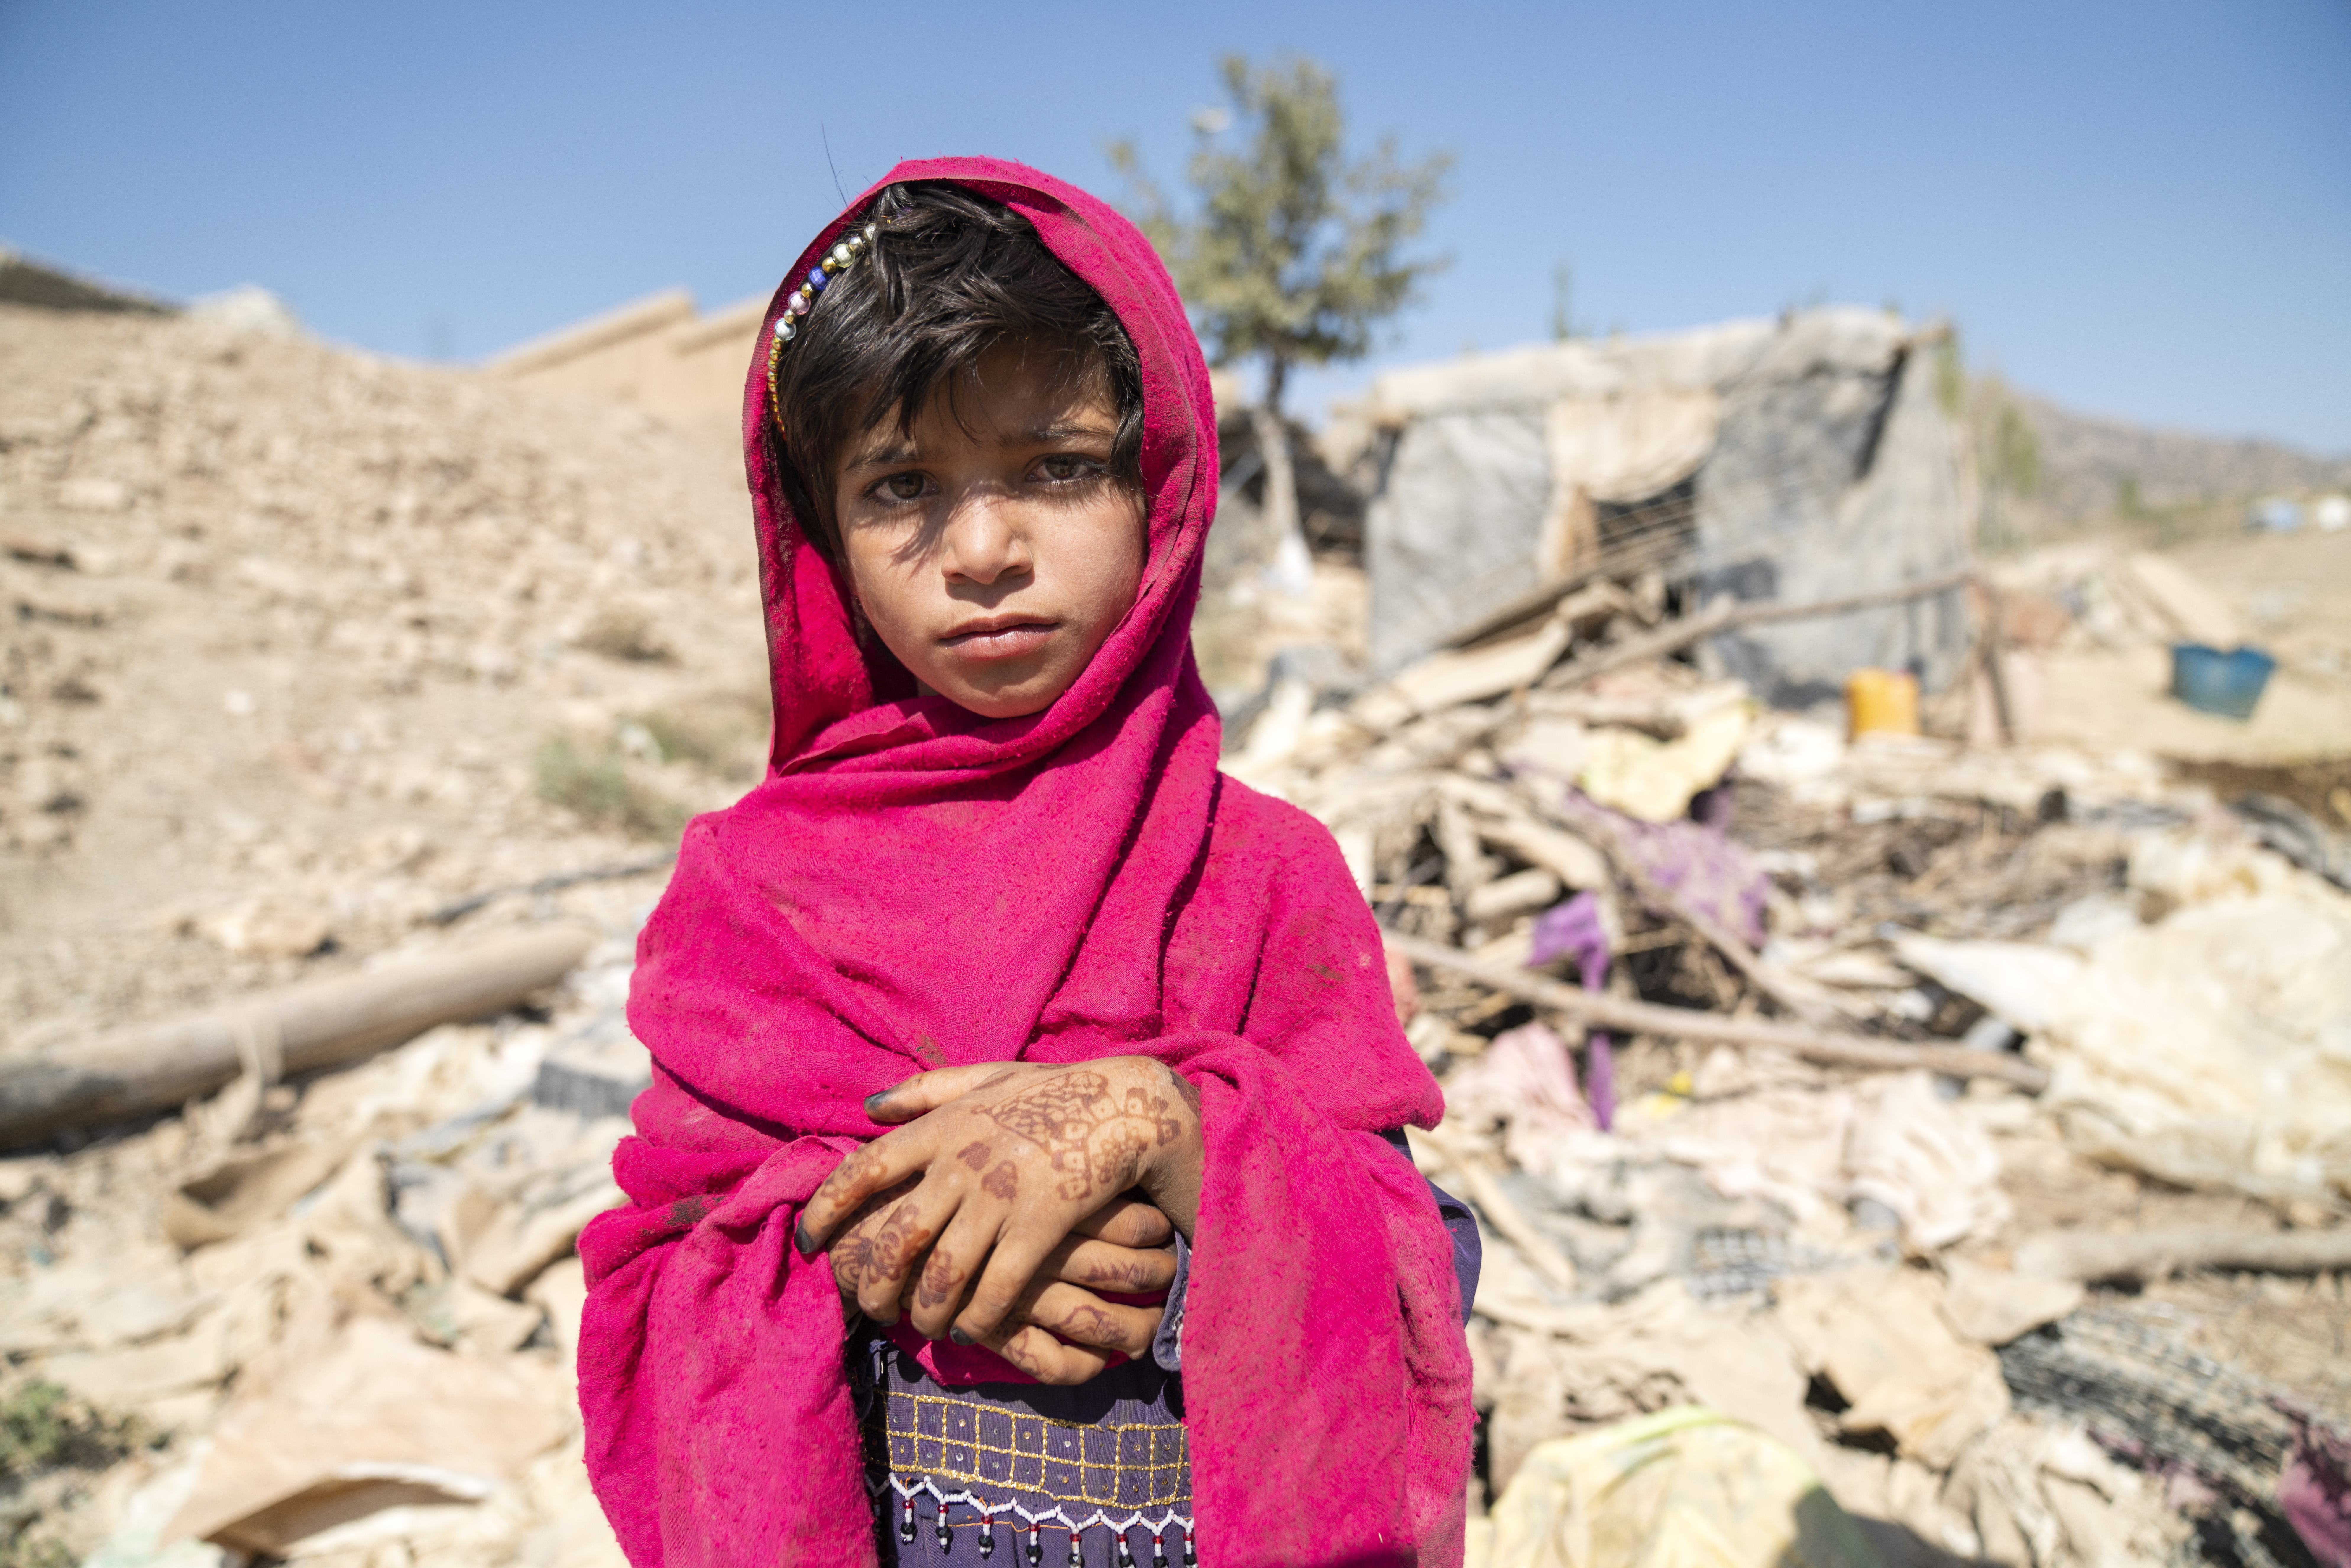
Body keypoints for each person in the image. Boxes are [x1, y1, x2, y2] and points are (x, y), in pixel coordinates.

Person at [576, 158, 1477, 1568]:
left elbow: (1427, 1260)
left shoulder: (1255, 873)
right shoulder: (755, 891)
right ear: (819, 533)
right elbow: (661, 1274)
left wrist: (1163, 1126)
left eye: (1055, 468)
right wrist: (874, 1254)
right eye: (901, 487)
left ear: (1160, 484)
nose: (982, 551)